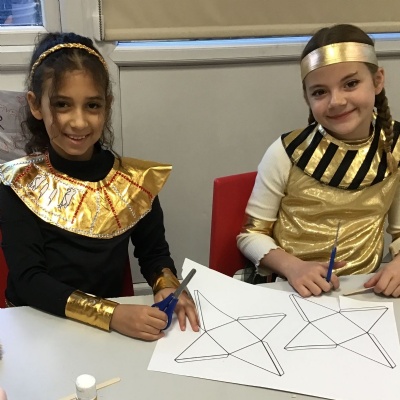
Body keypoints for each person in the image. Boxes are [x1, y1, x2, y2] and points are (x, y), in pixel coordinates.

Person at [0, 32, 198, 340]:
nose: (79, 122)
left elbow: (154, 253)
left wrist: (167, 284)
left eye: (92, 105)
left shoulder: (133, 182)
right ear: (36, 105)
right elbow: (29, 279)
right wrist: (110, 314)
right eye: (62, 105)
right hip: (36, 326)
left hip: (109, 335)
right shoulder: (18, 183)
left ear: (107, 105)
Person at [237, 24, 400, 298]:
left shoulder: (395, 147)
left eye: (351, 84)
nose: (336, 101)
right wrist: (293, 267)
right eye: (320, 92)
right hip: (291, 289)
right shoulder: (287, 152)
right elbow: (250, 235)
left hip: (365, 292)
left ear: (377, 80)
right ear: (307, 98)